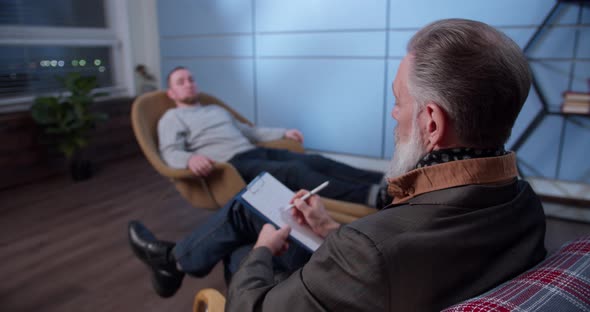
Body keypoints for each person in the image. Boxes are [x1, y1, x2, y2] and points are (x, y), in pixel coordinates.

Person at [129, 18, 547, 311]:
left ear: (432, 122)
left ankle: (175, 262)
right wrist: (330, 230)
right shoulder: (526, 204)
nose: (394, 114)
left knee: (245, 243)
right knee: (284, 183)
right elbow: (396, 266)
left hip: (368, 280)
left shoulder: (370, 247)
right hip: (229, 165)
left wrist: (260, 254)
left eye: (399, 101)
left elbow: (257, 305)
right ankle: (175, 260)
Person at [158, 66, 387, 207]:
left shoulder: (214, 109)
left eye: (191, 79)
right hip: (231, 165)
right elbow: (169, 151)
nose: (189, 84)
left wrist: (282, 132)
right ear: (171, 93)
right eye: (181, 82)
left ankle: (384, 180)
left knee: (316, 161)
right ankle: (371, 196)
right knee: (296, 172)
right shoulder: (172, 117)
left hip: (254, 151)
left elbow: (250, 131)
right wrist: (189, 159)